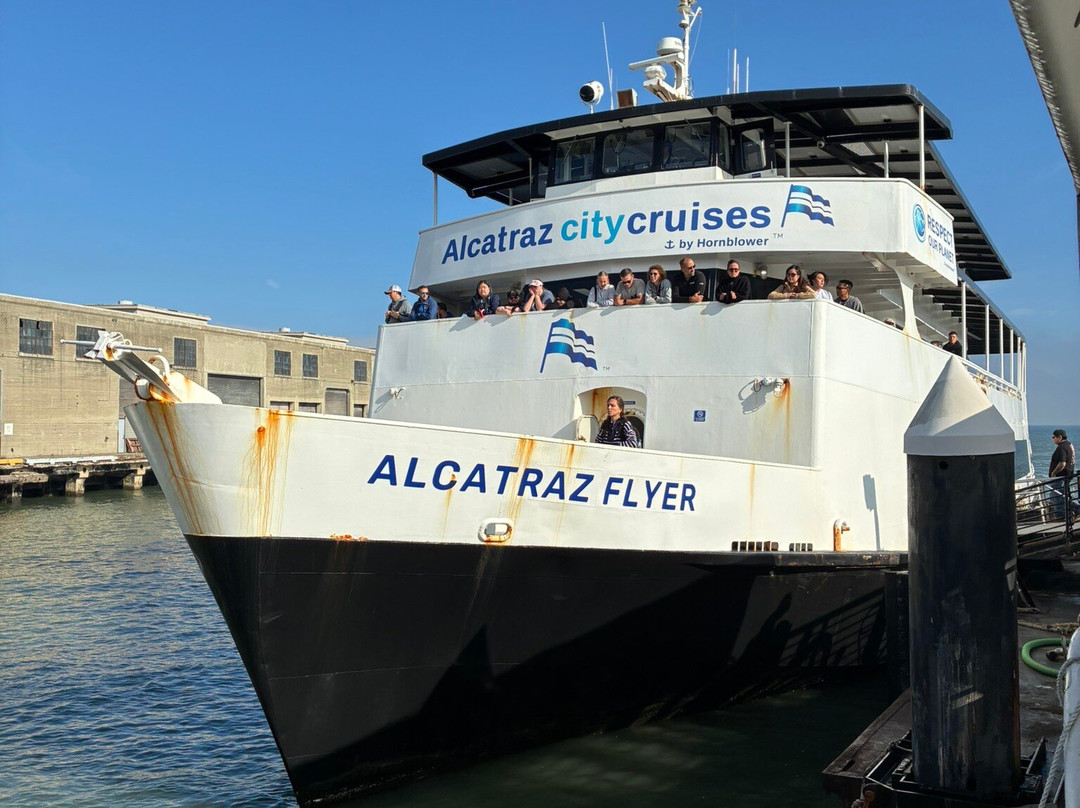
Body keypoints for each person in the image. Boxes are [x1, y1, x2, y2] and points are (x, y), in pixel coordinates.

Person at [1049, 430, 1076, 521]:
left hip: (1061, 477)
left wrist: (1054, 473)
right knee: (1065, 495)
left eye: (1053, 437)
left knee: (1057, 497)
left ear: (1060, 437)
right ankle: (1072, 512)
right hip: (1068, 474)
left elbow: (1062, 463)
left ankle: (1061, 517)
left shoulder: (1061, 447)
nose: (1052, 439)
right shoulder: (1069, 445)